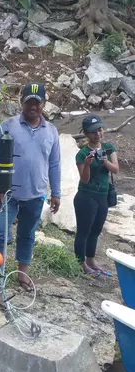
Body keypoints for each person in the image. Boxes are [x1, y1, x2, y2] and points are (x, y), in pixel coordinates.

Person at [0, 82, 61, 293]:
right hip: (8, 193)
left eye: (37, 103)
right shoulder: (8, 126)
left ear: (44, 104)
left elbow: (55, 164)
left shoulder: (52, 131)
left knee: (27, 234)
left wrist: (56, 192)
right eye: (29, 101)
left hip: (36, 193)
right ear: (21, 101)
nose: (33, 106)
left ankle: (22, 274)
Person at [74, 114, 119, 276]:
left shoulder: (109, 148)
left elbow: (115, 169)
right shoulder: (82, 154)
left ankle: (91, 260)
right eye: (93, 132)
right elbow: (84, 180)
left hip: (102, 196)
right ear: (86, 133)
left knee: (96, 230)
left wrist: (104, 160)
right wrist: (87, 164)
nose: (98, 134)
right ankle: (81, 262)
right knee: (84, 231)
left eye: (100, 130)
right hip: (86, 196)